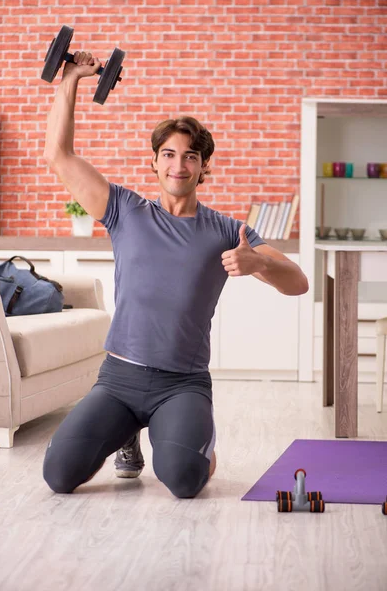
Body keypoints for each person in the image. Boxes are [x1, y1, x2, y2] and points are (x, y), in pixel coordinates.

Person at [42, 50, 309, 498]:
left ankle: (188, 438)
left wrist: (259, 262)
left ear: (204, 167)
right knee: (59, 475)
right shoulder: (125, 210)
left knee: (185, 480)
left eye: (189, 157)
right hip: (118, 377)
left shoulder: (228, 230)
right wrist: (70, 80)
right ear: (154, 162)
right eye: (168, 155)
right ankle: (125, 432)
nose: (177, 166)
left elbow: (298, 282)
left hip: (181, 383)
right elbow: (59, 155)